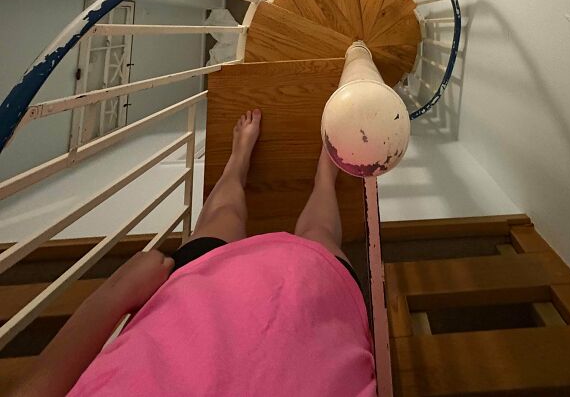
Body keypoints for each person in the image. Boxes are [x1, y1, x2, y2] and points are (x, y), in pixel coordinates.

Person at [15, 110, 376, 396]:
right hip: (308, 329)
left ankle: (237, 164)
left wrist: (120, 290)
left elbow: (40, 383)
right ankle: (324, 177)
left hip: (191, 309)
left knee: (224, 217)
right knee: (319, 235)